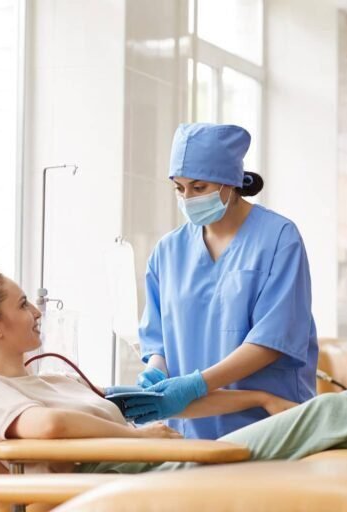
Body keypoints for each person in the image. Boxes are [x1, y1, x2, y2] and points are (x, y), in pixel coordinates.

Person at [0, 270, 347, 475]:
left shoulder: (50, 380)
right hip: (132, 471)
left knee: (334, 414)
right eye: (22, 303)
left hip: (153, 458)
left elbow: (165, 401)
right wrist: (139, 439)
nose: (36, 310)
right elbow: (46, 426)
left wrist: (258, 399)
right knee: (327, 412)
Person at [134, 123, 318, 440]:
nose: (188, 198)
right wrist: (157, 370)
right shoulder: (168, 251)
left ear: (230, 183)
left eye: (199, 187)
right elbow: (158, 337)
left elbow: (272, 340)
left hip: (269, 421)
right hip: (191, 426)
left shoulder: (278, 238)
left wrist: (196, 384)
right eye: (179, 188)